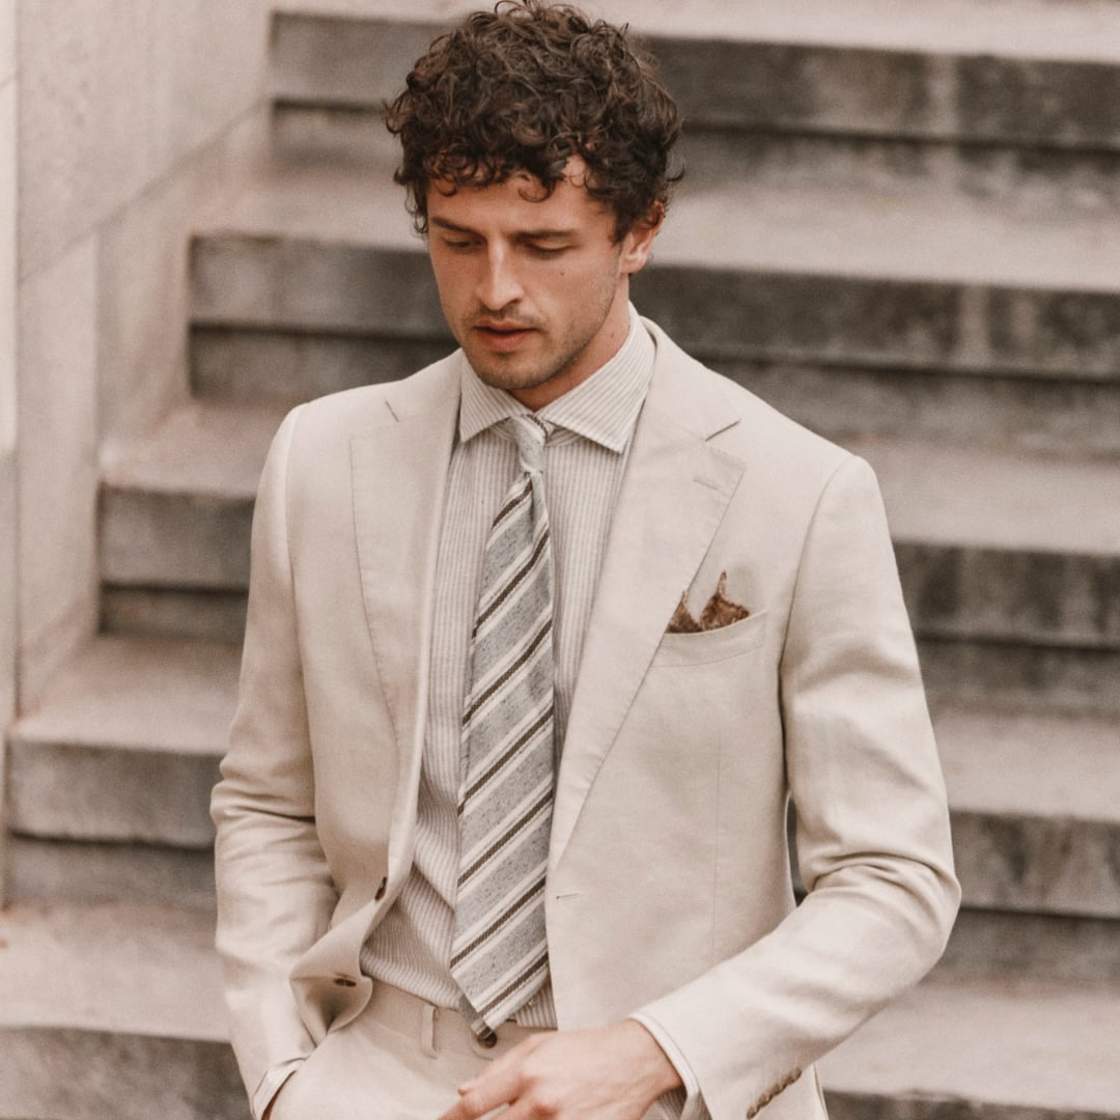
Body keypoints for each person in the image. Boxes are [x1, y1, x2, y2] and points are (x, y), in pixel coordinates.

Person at [209, 3, 961, 1118]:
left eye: (544, 246)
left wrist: (658, 1051)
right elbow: (269, 802)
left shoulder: (799, 492)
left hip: (667, 1089)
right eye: (457, 240)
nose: (495, 289)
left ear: (639, 230)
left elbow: (896, 880)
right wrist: (283, 1077)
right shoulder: (323, 460)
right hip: (373, 1081)